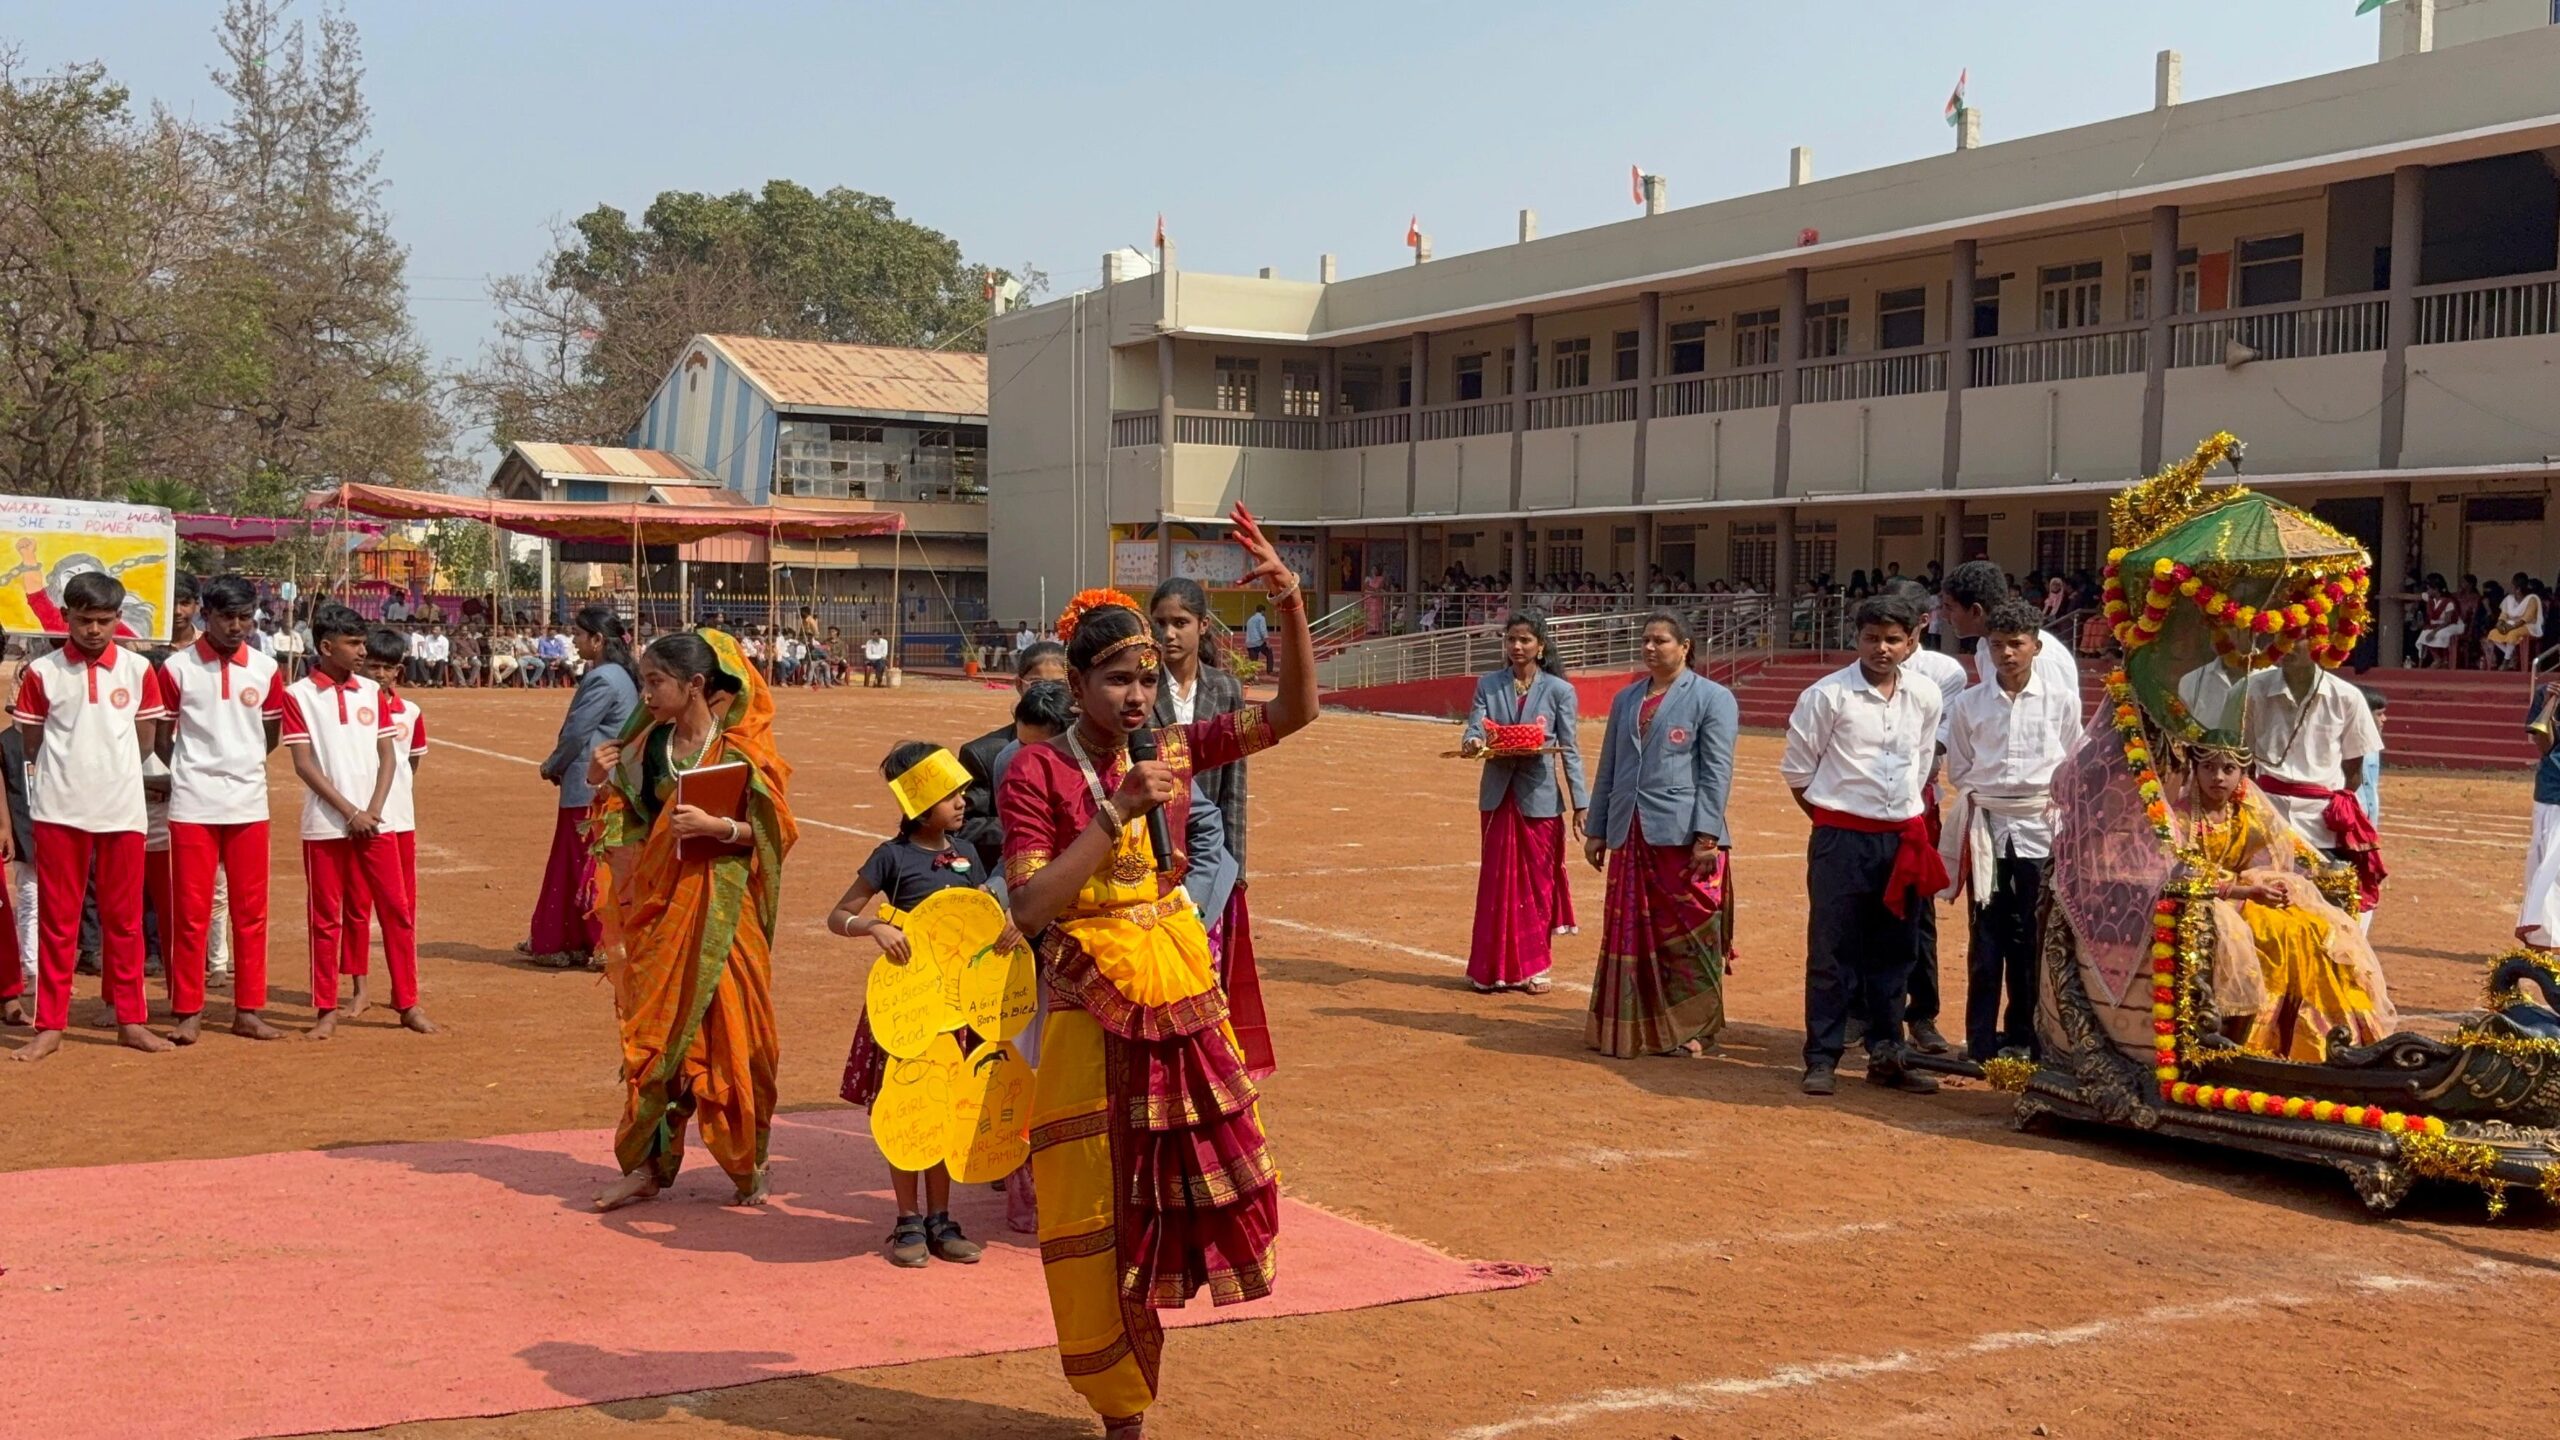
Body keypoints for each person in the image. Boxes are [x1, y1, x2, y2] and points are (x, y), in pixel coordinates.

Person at [996, 503, 1315, 1437]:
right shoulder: (1034, 772)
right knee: (1095, 1204)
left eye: (1146, 679)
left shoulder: (1171, 745)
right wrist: (1116, 812)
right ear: (1076, 685)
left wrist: (1291, 605)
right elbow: (1030, 907)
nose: (1137, 697)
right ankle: (1118, 1406)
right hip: (1086, 1013)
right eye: (1117, 681)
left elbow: (1294, 714)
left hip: (1174, 995)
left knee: (1181, 1184)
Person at [587, 629, 796, 1212]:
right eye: (645, 681)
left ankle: (749, 1162)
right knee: (655, 1039)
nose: (646, 694)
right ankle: (646, 1167)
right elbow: (626, 822)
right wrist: (599, 779)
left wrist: (717, 828)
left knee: (741, 1040)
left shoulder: (740, 753)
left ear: (695, 685)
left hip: (728, 916)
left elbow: (775, 834)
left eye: (656, 682)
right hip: (662, 912)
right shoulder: (648, 749)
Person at [828, 741, 998, 1268]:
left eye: (962, 793)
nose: (962, 803)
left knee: (944, 1106)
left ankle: (941, 1220)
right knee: (907, 1108)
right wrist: (872, 927)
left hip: (955, 1008)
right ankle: (907, 1219)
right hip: (905, 1008)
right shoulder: (891, 857)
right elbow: (839, 915)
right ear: (919, 805)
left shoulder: (968, 854)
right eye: (950, 795)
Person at [1782, 594, 1946, 1097]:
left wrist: (1892, 819)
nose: (1882, 648)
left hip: (1901, 840)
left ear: (1911, 641)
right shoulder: (1827, 696)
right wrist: (1838, 824)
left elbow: (1922, 763)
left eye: (1893, 639)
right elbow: (1798, 772)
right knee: (1832, 950)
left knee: (1896, 952)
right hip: (1842, 840)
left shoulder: (1925, 695)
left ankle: (1887, 1053)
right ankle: (1822, 1057)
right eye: (1872, 638)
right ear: (1856, 638)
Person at [9, 572, 172, 1061]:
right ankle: (50, 1025)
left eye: (104, 620)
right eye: (84, 620)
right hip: (60, 810)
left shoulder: (138, 669)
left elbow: (145, 740)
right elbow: (31, 743)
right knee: (59, 923)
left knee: (125, 922)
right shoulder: (44, 673)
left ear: (119, 618)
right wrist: (72, 770)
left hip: (122, 811)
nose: (94, 630)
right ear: (66, 617)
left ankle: (130, 1020)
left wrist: (110, 772)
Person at [2171, 744, 2394, 1060]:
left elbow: (2275, 859)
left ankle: (2330, 1036)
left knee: (2314, 928)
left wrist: (2278, 885)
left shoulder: (2246, 813)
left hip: (2247, 894)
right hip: (2211, 900)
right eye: (2208, 768)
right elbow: (2182, 875)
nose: (2218, 777)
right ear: (2195, 770)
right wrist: (2246, 892)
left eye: (2228, 769)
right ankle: (2260, 1039)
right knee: (2278, 933)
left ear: (2243, 774)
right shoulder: (2181, 818)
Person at [1581, 613, 1736, 1056]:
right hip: (1629, 832)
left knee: (1689, 933)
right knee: (1630, 932)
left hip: (1683, 836)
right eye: (1645, 640)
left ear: (1685, 646)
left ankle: (1694, 1026)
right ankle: (1637, 1026)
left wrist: (1707, 835)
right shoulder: (1627, 699)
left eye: (1661, 640)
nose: (1650, 648)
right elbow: (1610, 766)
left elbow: (1716, 772)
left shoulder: (1713, 698)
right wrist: (1597, 828)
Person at [280, 605, 427, 1039]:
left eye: (363, 643)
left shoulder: (371, 693)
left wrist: (373, 810)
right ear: (327, 647)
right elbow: (304, 764)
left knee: (396, 912)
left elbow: (388, 756)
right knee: (326, 918)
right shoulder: (298, 695)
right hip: (326, 824)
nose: (363, 651)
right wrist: (350, 812)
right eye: (354, 644)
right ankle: (326, 1008)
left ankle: (408, 1003)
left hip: (376, 823)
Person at [1937, 600, 2076, 1062]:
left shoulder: (2061, 701)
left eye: (2016, 644)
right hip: (1989, 827)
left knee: (2035, 937)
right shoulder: (1969, 704)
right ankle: (1980, 1044)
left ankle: (2032, 1042)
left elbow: (2071, 763)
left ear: (2036, 646)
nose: (2007, 654)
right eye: (1997, 645)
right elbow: (1961, 769)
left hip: (2041, 828)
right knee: (1986, 937)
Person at [1148, 578, 1276, 1072]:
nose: (1169, 634)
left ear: (1203, 626)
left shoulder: (1225, 689)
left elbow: (1235, 781)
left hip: (1209, 850)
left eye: (1180, 623)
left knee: (1208, 964)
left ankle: (1206, 1068)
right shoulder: (1140, 686)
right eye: (1161, 623)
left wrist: (1234, 866)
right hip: (1151, 849)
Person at [158, 575, 285, 1043]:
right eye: (226, 616)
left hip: (249, 802)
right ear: (204, 614)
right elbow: (163, 738)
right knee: (191, 911)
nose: (236, 626)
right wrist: (193, 770)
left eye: (244, 617)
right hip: (193, 804)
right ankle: (188, 1010)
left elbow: (269, 735)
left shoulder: (266, 669)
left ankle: (247, 1009)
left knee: (251, 911)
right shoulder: (177, 668)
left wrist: (241, 764)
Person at [1458, 611, 1588, 996]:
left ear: (1540, 646)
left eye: (1525, 640)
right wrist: (1473, 742)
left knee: (1538, 885)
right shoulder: (1488, 684)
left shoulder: (1560, 691)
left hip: (1540, 799)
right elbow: (1475, 726)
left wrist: (1581, 804)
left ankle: (1535, 968)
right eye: (1511, 639)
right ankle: (1489, 970)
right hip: (1498, 796)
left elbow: (1570, 749)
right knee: (1496, 884)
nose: (1517, 646)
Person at [526, 607, 639, 970]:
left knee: (585, 863)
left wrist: (553, 765)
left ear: (598, 639)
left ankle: (598, 941)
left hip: (590, 782)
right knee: (578, 860)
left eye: (578, 634)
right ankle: (565, 938)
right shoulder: (618, 674)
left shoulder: (604, 677)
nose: (574, 641)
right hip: (604, 780)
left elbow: (577, 732)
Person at [2243, 647, 2385, 917]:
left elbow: (2354, 772)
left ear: (2320, 642)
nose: (2287, 645)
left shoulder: (2347, 696)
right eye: (2282, 635)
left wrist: (2329, 807)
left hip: (2323, 824)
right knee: (2262, 909)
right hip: (2264, 815)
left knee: (2325, 913)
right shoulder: (2251, 690)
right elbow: (2241, 757)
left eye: (2298, 636)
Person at [959, 640, 1069, 862]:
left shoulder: (1094, 743)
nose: (1048, 692)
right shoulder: (989, 755)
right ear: (1020, 685)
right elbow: (964, 825)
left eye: (1059, 684)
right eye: (1037, 684)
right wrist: (1025, 825)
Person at [2519, 681, 2560, 950]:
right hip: (2553, 793)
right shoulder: (2546, 692)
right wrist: (2549, 706)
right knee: (2548, 866)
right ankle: (2545, 937)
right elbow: (2544, 745)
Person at [2488, 574, 2544, 671]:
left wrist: (2509, 628)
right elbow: (2504, 614)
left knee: (2513, 634)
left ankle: (2506, 661)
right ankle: (2512, 655)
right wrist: (2500, 623)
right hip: (2511, 624)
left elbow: (2526, 618)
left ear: (2518, 589)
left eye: (2512, 585)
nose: (2509, 587)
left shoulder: (2532, 599)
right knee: (2493, 633)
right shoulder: (2509, 599)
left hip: (2528, 626)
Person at [2415, 575, 2462, 667]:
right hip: (2436, 626)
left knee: (2438, 634)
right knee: (2425, 633)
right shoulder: (2430, 598)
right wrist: (2393, 595)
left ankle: (2443, 660)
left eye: (2429, 589)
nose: (2427, 591)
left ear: (2436, 589)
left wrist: (2434, 631)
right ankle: (2436, 658)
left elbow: (2447, 621)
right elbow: (2412, 597)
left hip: (2450, 625)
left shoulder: (2449, 602)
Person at [1243, 604, 1270, 669]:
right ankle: (1270, 670)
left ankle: (1252, 672)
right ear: (1262, 611)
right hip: (1258, 642)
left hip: (1249, 643)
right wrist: (1267, 641)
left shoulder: (1250, 619)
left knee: (1253, 660)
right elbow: (1263, 630)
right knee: (1269, 653)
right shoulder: (1261, 618)